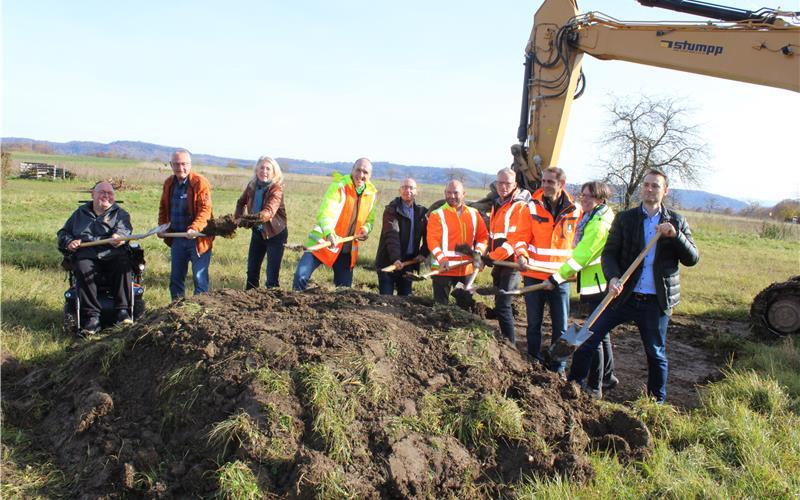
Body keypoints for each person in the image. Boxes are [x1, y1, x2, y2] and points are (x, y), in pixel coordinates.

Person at [567, 169, 699, 403]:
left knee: (655, 353)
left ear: (664, 191)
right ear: (641, 188)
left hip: (655, 301)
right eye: (646, 185)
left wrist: (675, 236)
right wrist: (614, 278)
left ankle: (655, 402)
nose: (650, 189)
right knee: (588, 339)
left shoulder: (676, 221)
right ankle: (571, 389)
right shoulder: (626, 219)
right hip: (624, 295)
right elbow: (609, 254)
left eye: (655, 186)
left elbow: (692, 259)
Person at [511, 166, 581, 376]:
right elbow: (520, 237)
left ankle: (557, 368)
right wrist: (521, 255)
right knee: (534, 323)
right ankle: (533, 361)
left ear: (562, 184)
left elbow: (580, 242)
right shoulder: (530, 207)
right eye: (543, 181)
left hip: (560, 278)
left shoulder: (575, 210)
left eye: (550, 182)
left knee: (560, 326)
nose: (545, 185)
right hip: (534, 275)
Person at [549, 181, 617, 397]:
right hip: (596, 282)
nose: (582, 199)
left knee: (594, 336)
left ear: (600, 198)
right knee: (602, 334)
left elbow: (583, 255)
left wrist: (558, 277)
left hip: (599, 284)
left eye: (588, 196)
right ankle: (607, 377)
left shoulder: (598, 223)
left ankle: (594, 386)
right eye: (582, 195)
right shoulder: (595, 216)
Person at [57, 181, 133, 334]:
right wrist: (69, 242)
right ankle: (92, 317)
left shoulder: (121, 214)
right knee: (82, 266)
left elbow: (125, 231)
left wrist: (119, 237)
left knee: (123, 263)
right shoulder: (80, 214)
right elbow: (63, 233)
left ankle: (122, 312)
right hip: (87, 254)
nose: (106, 196)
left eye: (110, 193)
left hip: (112, 253)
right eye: (102, 192)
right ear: (93, 194)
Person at [292, 158, 378, 291]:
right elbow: (325, 212)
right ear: (352, 170)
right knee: (300, 276)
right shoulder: (339, 186)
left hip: (345, 250)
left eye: (365, 172)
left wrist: (365, 229)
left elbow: (369, 221)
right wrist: (329, 233)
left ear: (370, 175)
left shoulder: (371, 194)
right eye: (358, 170)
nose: (361, 175)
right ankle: (294, 305)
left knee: (343, 292)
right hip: (322, 242)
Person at [482, 168, 531, 344]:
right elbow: (494, 234)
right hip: (499, 262)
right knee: (500, 303)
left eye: (507, 183)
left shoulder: (519, 206)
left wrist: (493, 256)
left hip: (511, 263)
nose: (503, 186)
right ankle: (504, 341)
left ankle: (510, 345)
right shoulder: (499, 203)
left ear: (515, 184)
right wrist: (487, 254)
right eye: (500, 183)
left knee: (503, 305)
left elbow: (515, 239)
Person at [158, 149, 215, 300]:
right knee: (176, 279)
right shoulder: (169, 183)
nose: (180, 167)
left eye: (183, 164)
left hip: (198, 239)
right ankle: (176, 309)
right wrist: (162, 226)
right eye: (176, 164)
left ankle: (199, 311)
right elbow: (163, 207)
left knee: (199, 278)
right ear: (171, 165)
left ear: (190, 164)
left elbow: (205, 210)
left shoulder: (199, 182)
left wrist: (194, 228)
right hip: (177, 238)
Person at [426, 180, 488, 305]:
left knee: (465, 306)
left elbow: (483, 237)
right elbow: (432, 240)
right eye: (449, 193)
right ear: (444, 193)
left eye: (456, 193)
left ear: (464, 194)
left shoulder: (473, 214)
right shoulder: (437, 214)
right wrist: (441, 258)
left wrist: (478, 254)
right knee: (440, 306)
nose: (452, 196)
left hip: (466, 269)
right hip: (443, 269)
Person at [235, 156, 288, 289]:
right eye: (262, 168)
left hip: (275, 234)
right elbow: (241, 202)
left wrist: (247, 220)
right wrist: (237, 219)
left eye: (268, 169)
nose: (264, 171)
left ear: (274, 172)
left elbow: (269, 212)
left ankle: (273, 304)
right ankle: (248, 301)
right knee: (252, 271)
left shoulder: (276, 189)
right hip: (258, 233)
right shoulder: (252, 186)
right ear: (257, 170)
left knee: (271, 275)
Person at [374, 178, 429, 295]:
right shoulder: (391, 210)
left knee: (404, 301)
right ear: (400, 190)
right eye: (404, 187)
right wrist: (396, 258)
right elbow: (392, 234)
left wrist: (423, 253)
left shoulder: (421, 213)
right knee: (385, 299)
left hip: (408, 264)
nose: (407, 190)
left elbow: (430, 235)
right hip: (388, 261)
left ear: (416, 192)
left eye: (411, 188)